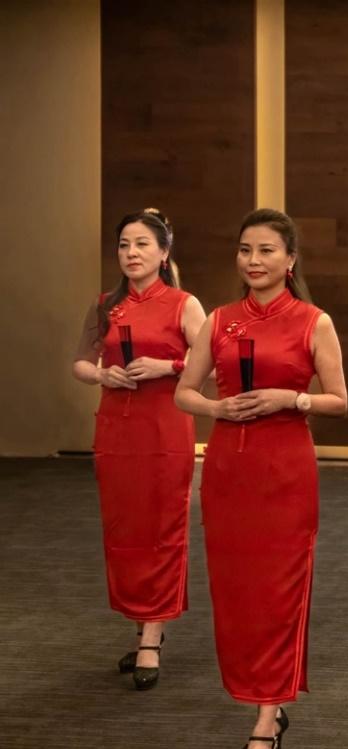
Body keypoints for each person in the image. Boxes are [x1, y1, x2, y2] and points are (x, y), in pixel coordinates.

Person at [175, 208, 347, 749]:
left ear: (290, 259)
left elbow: (339, 400)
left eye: (267, 250)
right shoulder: (218, 320)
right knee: (237, 591)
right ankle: (255, 698)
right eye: (245, 249)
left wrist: (289, 398)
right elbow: (183, 391)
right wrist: (216, 410)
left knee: (279, 591)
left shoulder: (312, 322)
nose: (254, 260)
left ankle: (267, 720)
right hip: (227, 469)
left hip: (285, 472)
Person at [73, 209, 205, 690]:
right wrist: (103, 374)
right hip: (115, 427)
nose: (132, 253)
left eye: (142, 244)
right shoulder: (104, 304)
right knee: (123, 527)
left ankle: (152, 633)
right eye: (124, 245)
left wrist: (168, 366)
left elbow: (208, 361)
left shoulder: (183, 304)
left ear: (164, 252)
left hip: (164, 428)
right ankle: (140, 619)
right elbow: (81, 363)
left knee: (162, 524)